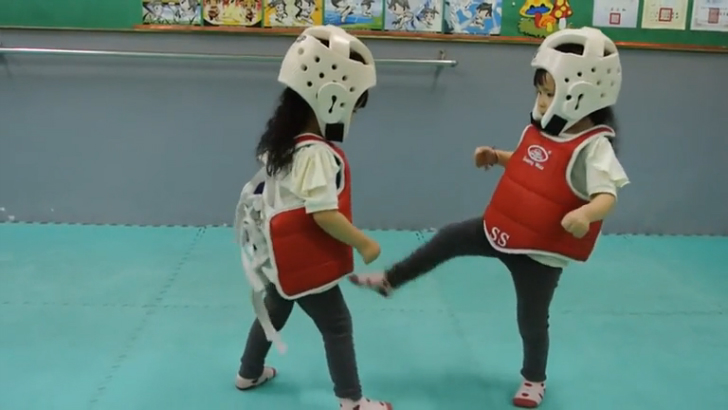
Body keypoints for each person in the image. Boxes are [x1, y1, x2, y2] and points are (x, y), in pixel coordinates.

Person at [348, 27, 630, 408]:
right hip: (500, 227)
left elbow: (606, 195)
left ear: (584, 95)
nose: (542, 101)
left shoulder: (594, 148)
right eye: (540, 92)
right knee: (448, 237)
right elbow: (532, 165)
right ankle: (390, 280)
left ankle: (534, 379)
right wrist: (497, 157)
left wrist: (586, 213)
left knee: (531, 318)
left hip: (540, 252)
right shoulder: (541, 131)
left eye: (551, 93)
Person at [233, 25, 392, 410]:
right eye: (353, 106)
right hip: (305, 260)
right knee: (337, 325)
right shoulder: (317, 155)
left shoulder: (285, 143)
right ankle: (352, 401)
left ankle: (248, 372)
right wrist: (364, 242)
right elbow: (323, 214)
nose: (353, 115)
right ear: (332, 100)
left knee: (275, 309)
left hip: (279, 258)